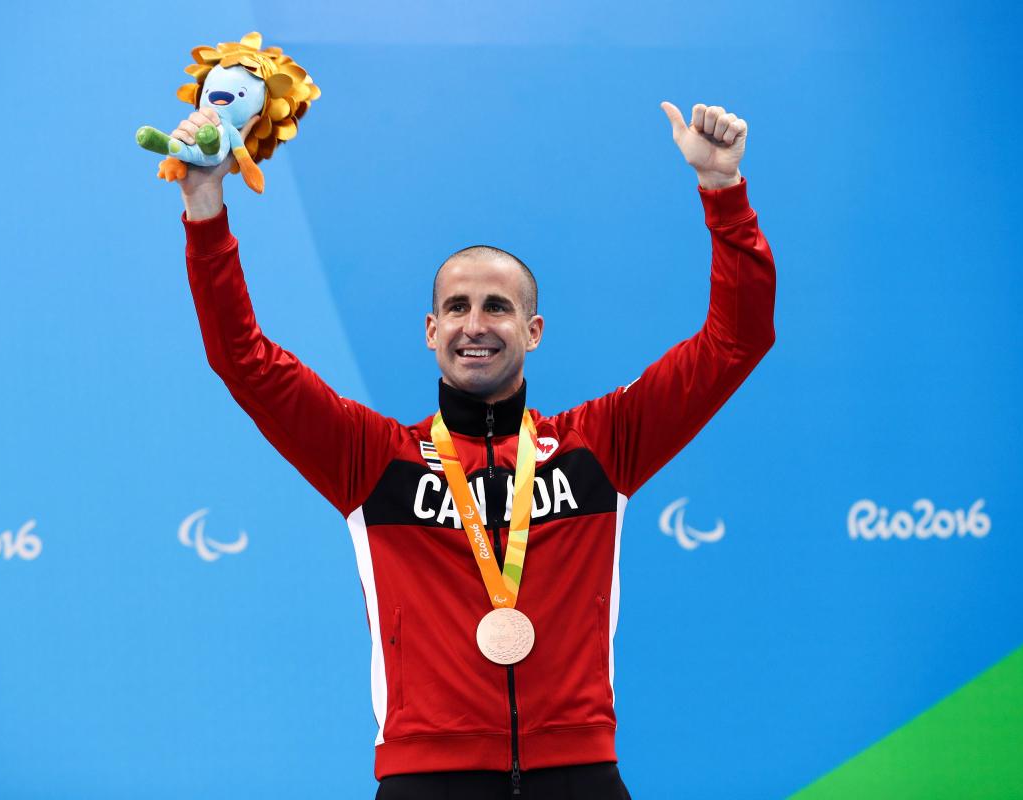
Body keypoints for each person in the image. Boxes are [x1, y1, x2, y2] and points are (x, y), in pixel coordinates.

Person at [172, 100, 775, 799]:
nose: (475, 325)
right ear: (431, 330)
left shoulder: (600, 444)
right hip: (427, 778)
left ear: (535, 329)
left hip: (577, 775)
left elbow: (737, 341)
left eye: (497, 306)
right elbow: (243, 360)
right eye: (457, 308)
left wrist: (723, 192)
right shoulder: (372, 460)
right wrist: (205, 205)